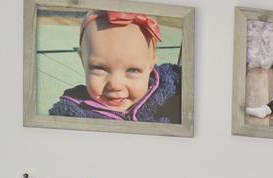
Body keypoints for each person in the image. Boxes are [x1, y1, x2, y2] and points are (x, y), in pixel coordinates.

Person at [48, 11, 182, 123]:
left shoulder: (173, 87)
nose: (115, 85)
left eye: (133, 70)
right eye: (99, 68)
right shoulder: (71, 112)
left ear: (151, 66)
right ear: (83, 61)